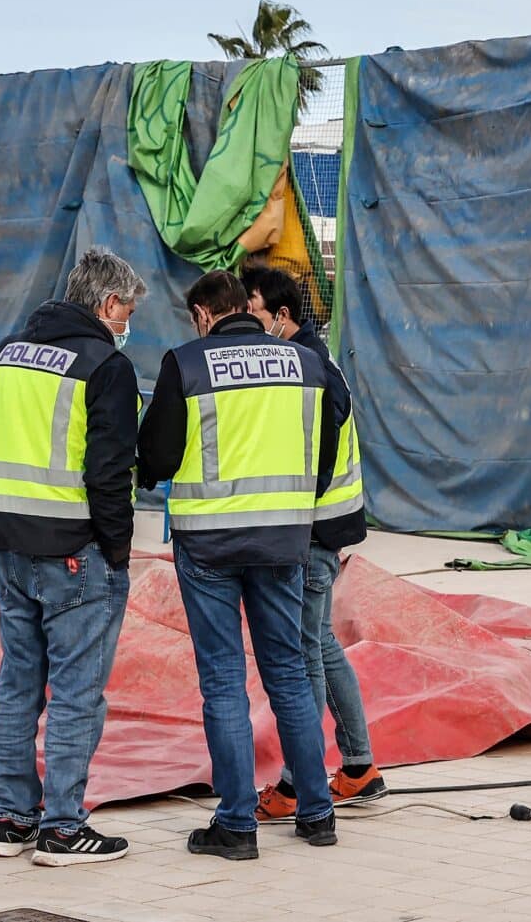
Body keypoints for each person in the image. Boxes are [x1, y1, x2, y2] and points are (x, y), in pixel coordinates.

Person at [138, 269, 348, 861]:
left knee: (225, 682)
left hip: (208, 546)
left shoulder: (189, 363)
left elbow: (155, 454)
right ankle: (317, 812)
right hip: (284, 543)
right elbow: (325, 451)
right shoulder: (306, 364)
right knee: (288, 675)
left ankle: (236, 824)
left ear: (204, 315)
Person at [0, 246, 144, 867]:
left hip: (9, 544)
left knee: (18, 681)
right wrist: (115, 553)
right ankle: (64, 827)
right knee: (76, 691)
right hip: (76, 552)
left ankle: (11, 818)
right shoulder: (105, 366)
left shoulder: (2, 356)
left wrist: (9, 513)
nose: (127, 321)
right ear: (108, 302)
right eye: (127, 309)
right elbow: (111, 475)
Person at [236, 264, 379, 819]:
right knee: (320, 641)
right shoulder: (314, 360)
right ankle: (359, 766)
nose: (248, 320)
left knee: (304, 651)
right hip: (331, 523)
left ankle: (299, 783)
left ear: (282, 316)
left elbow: (314, 453)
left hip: (317, 529)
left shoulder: (311, 369)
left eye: (253, 311)